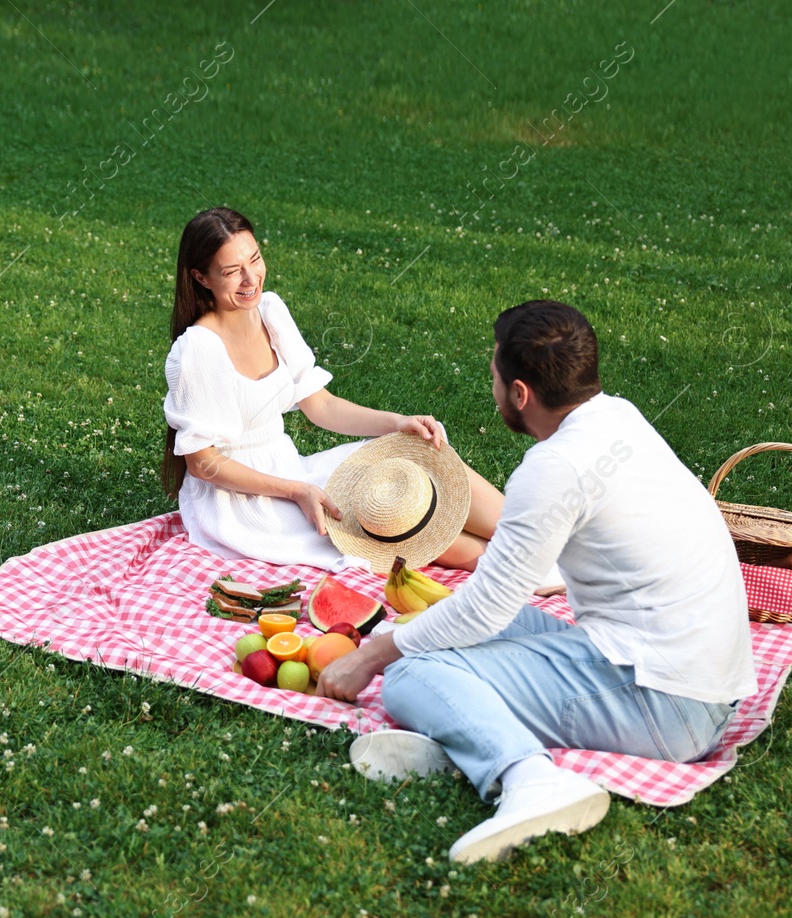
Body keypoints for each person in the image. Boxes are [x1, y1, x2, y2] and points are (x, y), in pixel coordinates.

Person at [316, 300, 757, 864]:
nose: (493, 386)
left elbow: (485, 614)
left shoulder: (555, 467)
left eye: (496, 374)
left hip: (667, 703)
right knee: (439, 626)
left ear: (519, 393)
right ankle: (464, 734)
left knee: (408, 673)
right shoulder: (619, 416)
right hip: (695, 674)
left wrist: (372, 654)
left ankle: (531, 780)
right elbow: (489, 602)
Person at [160, 206, 508, 573]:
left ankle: (535, 536)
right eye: (232, 272)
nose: (251, 279)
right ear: (201, 277)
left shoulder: (270, 311)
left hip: (291, 468)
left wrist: (397, 423)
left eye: (255, 259)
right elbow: (202, 464)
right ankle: (526, 570)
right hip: (240, 501)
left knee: (416, 462)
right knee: (389, 524)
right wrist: (295, 491)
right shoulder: (197, 349)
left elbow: (321, 406)